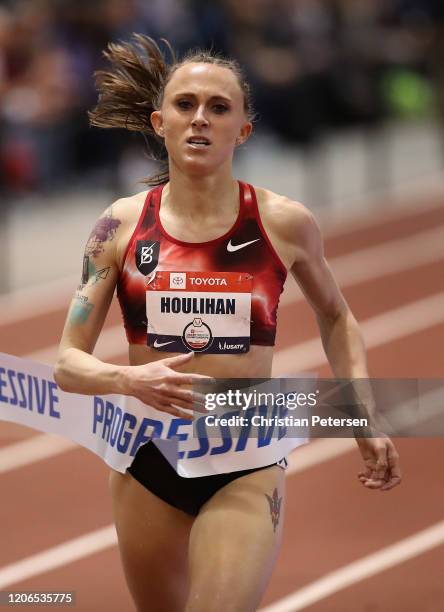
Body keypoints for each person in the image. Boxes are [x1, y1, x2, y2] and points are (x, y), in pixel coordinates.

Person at [54, 35, 402, 612]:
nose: (200, 120)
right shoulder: (117, 227)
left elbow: (337, 315)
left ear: (243, 130)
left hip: (245, 456)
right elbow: (68, 362)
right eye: (186, 105)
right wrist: (128, 381)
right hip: (148, 458)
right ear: (158, 121)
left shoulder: (284, 222)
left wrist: (361, 413)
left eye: (219, 108)